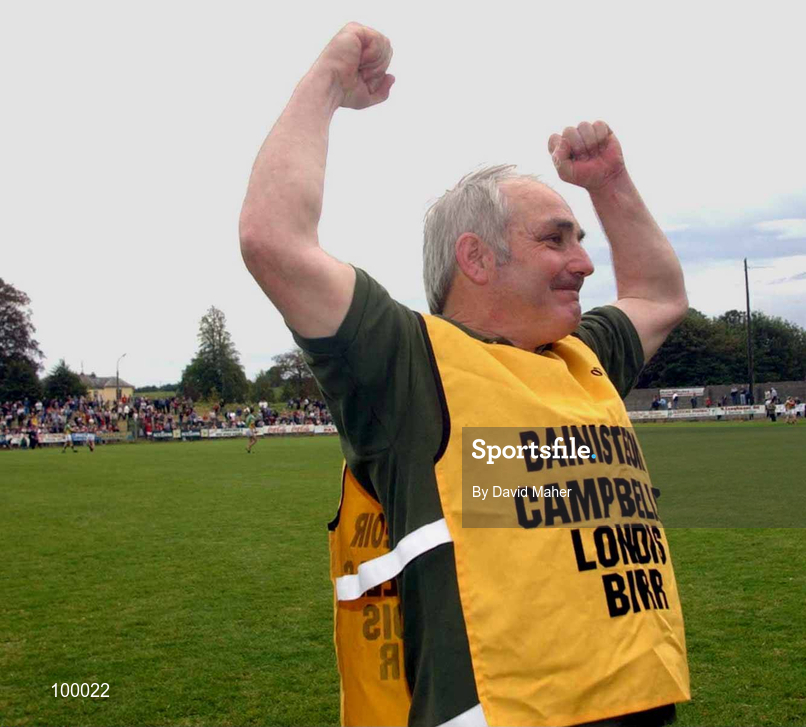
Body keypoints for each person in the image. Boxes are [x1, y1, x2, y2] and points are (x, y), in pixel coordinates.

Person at [239, 21, 690, 727]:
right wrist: (330, 75)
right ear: (476, 259)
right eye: (554, 238)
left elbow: (660, 293)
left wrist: (609, 182)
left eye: (580, 237)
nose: (585, 262)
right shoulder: (410, 368)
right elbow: (273, 238)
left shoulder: (579, 358)